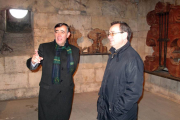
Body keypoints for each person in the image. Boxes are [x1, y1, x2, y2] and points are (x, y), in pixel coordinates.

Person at [26, 23, 80, 120]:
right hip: (48, 92)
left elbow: (72, 71)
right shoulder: (45, 47)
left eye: (62, 32)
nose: (59, 34)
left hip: (66, 92)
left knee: (63, 116)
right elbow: (32, 65)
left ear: (68, 35)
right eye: (56, 32)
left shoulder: (75, 51)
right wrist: (33, 61)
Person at [97, 21, 144, 120]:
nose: (109, 36)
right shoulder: (114, 54)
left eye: (113, 33)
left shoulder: (132, 59)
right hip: (106, 108)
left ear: (124, 35)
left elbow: (134, 92)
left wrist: (116, 110)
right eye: (109, 33)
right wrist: (101, 102)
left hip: (120, 114)